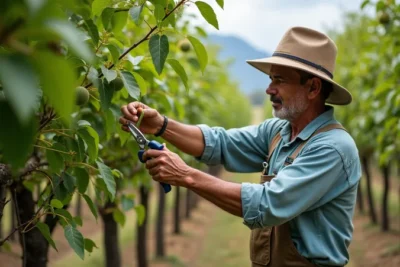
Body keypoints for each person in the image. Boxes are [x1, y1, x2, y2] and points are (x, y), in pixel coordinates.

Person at [119, 27, 361, 267]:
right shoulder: (279, 131)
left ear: (313, 88)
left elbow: (268, 205)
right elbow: (221, 143)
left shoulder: (333, 148)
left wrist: (185, 175)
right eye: (270, 79)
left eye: (280, 80)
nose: (269, 89)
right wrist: (161, 125)